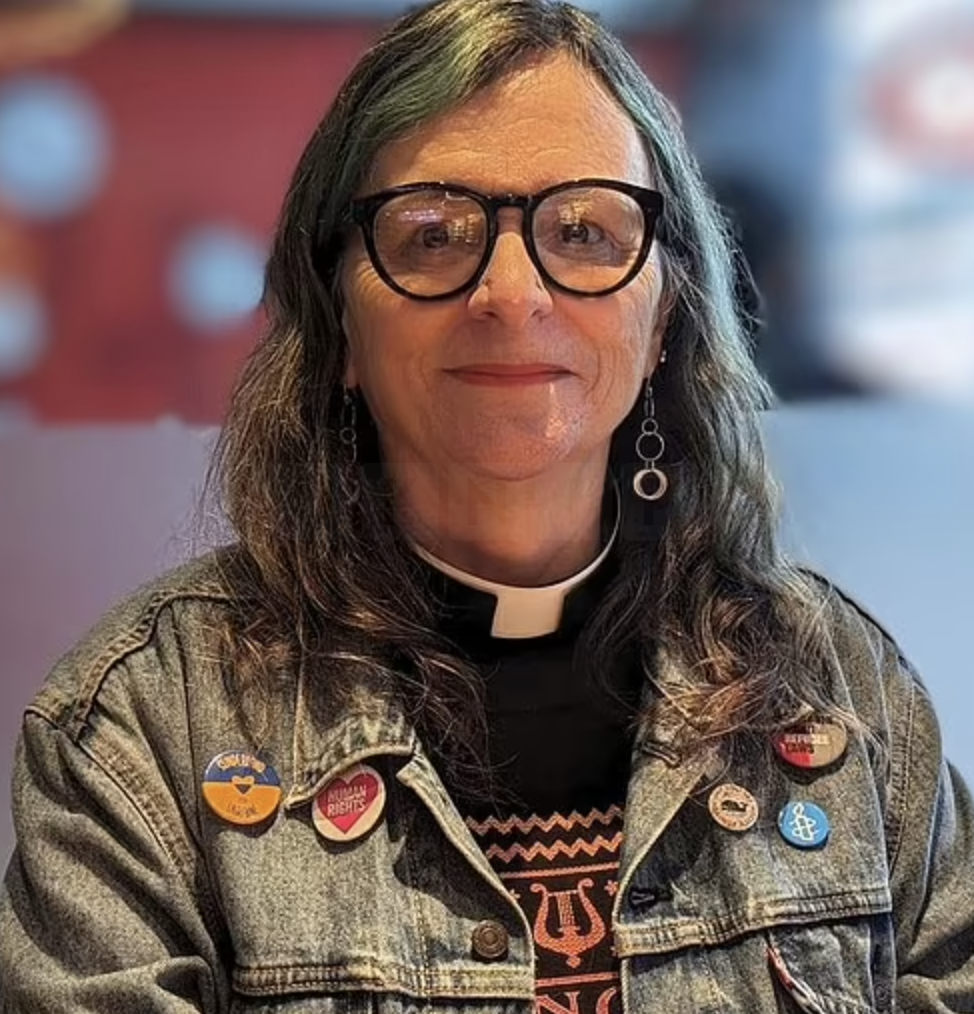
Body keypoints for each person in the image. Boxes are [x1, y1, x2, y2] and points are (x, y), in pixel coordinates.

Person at [2, 0, 973, 1010]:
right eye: (432, 235)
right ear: (335, 323)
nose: (511, 293)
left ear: (660, 322)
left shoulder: (839, 692)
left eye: (585, 230)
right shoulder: (144, 729)